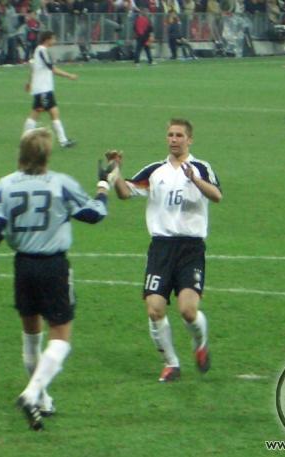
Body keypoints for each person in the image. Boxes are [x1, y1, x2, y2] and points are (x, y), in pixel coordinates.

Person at [0, 128, 109, 430]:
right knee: (60, 337)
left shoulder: (5, 185)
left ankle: (42, 399)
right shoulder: (59, 184)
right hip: (53, 268)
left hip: (23, 268)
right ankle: (32, 393)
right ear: (47, 156)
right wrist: (103, 185)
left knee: (32, 337)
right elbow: (94, 214)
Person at [103, 118, 222, 383]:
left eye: (179, 135)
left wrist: (195, 180)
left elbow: (217, 195)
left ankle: (200, 343)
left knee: (188, 311)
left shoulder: (201, 167)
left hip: (190, 248)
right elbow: (125, 193)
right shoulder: (155, 171)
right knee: (154, 309)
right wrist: (115, 172)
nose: (174, 139)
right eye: (170, 135)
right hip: (161, 248)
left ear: (189, 140)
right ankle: (171, 363)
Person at [23, 31, 78, 149]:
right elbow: (51, 68)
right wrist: (69, 76)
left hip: (43, 88)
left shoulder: (38, 51)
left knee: (45, 112)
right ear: (47, 39)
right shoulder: (42, 50)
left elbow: (33, 68)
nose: (55, 41)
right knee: (44, 113)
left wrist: (29, 83)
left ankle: (63, 141)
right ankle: (62, 141)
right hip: (43, 89)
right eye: (53, 39)